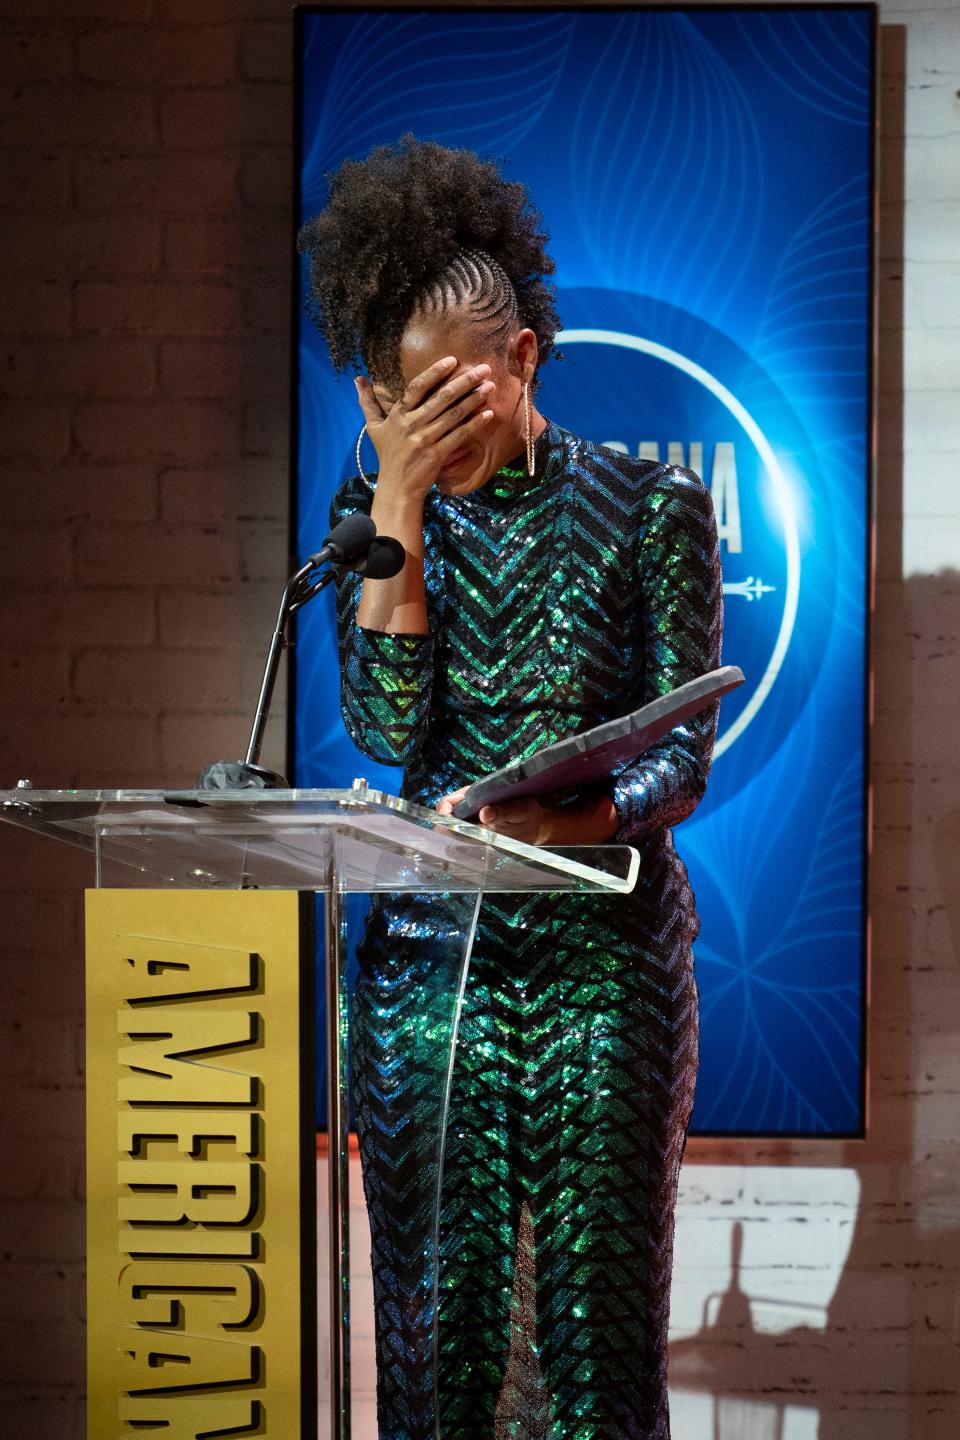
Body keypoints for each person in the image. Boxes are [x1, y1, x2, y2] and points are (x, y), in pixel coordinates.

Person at [298, 135, 723, 1440]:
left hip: (605, 961)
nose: (427, 428)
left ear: (524, 358)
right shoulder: (372, 513)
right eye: (401, 402)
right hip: (433, 967)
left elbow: (681, 757)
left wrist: (583, 816)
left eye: (453, 400)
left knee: (596, 1335)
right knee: (442, 1331)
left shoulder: (654, 507)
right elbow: (380, 725)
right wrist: (407, 510)